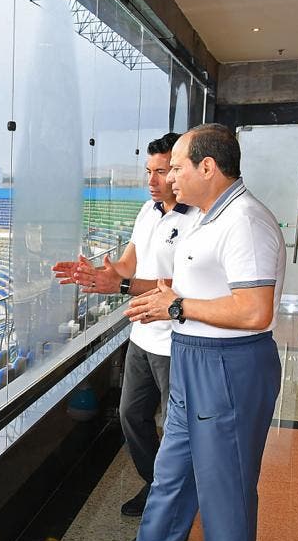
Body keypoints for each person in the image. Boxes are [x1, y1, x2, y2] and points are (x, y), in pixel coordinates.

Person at [90, 123, 285, 541]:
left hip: (230, 364)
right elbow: (186, 285)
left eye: (176, 166)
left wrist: (176, 305)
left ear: (207, 167)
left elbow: (254, 310)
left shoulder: (244, 220)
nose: (169, 175)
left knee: (225, 481)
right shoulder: (204, 218)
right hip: (195, 356)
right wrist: (128, 285)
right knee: (173, 474)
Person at [53, 132, 199, 517]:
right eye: (148, 171)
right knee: (130, 415)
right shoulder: (148, 211)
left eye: (161, 171)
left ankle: (171, 505)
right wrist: (98, 274)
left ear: (181, 171)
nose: (151, 180)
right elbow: (128, 265)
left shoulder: (198, 219)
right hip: (143, 334)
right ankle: (155, 486)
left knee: (173, 429)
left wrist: (118, 284)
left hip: (176, 340)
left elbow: (182, 287)